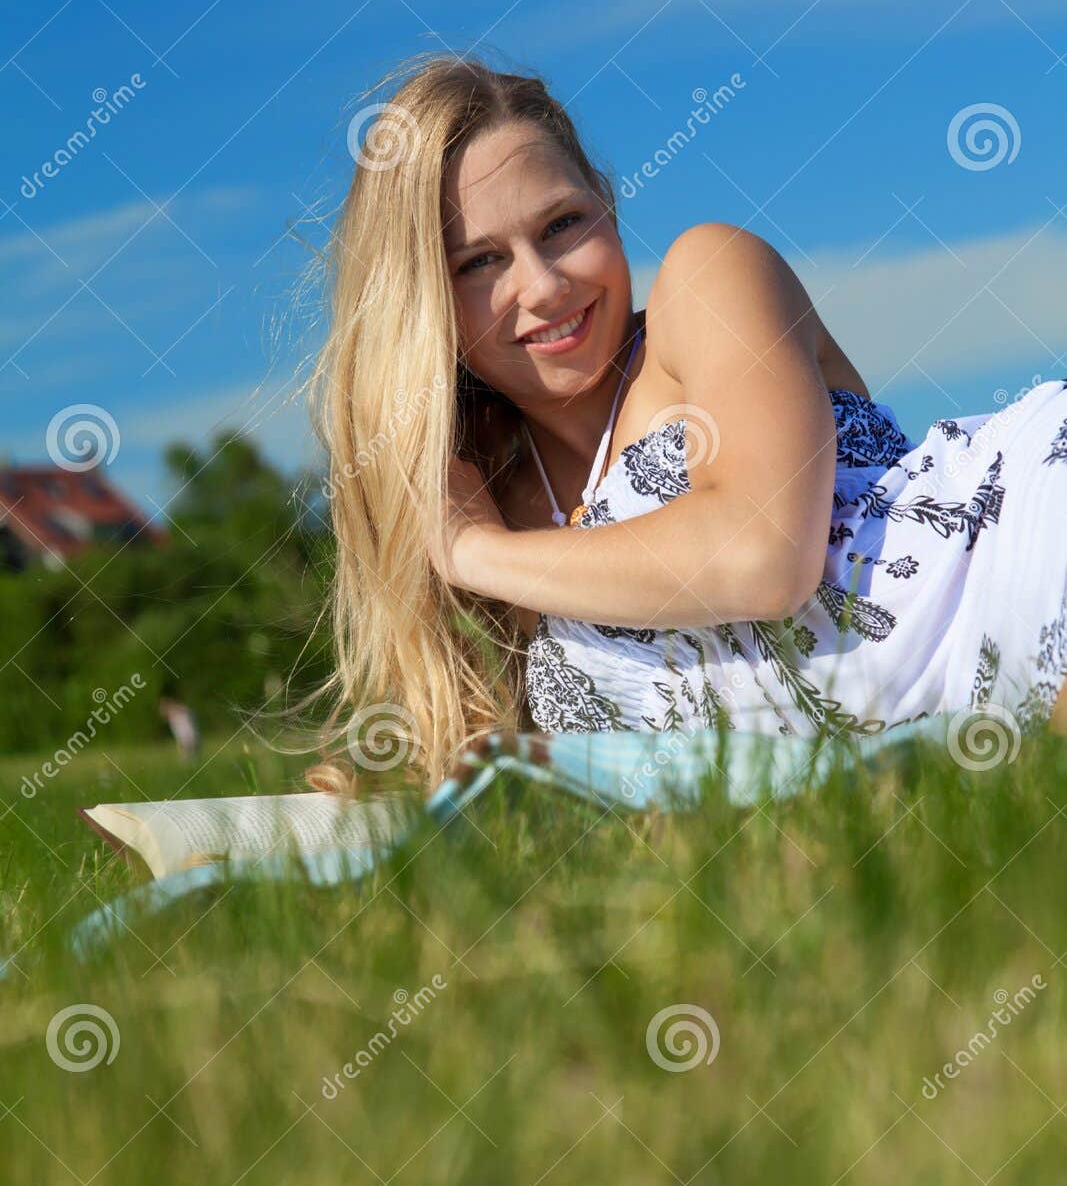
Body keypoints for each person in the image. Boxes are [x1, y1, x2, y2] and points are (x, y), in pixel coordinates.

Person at [304, 52, 1067, 794]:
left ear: (605, 202)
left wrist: (473, 551)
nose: (541, 285)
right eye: (480, 262)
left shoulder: (704, 287)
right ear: (420, 298)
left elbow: (762, 558)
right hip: (906, 768)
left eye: (563, 224)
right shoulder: (478, 484)